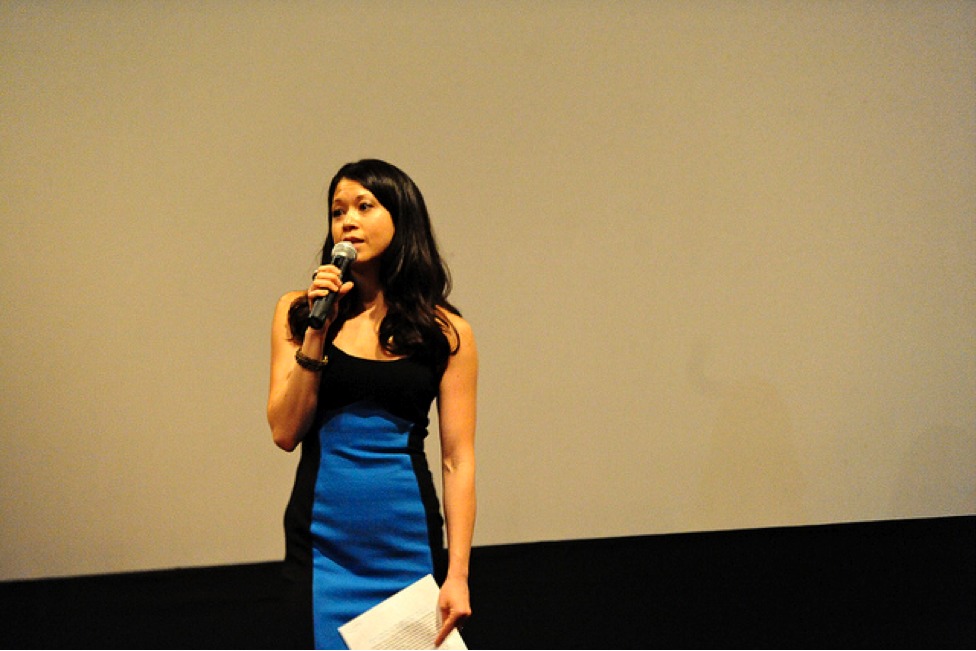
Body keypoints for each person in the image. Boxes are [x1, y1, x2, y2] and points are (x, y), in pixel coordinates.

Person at [267, 159, 477, 649]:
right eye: (338, 211)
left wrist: (459, 573)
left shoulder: (445, 331)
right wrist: (317, 330)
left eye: (364, 206)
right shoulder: (298, 313)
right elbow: (284, 431)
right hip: (323, 547)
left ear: (401, 218)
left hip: (406, 546)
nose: (348, 221)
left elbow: (457, 459)